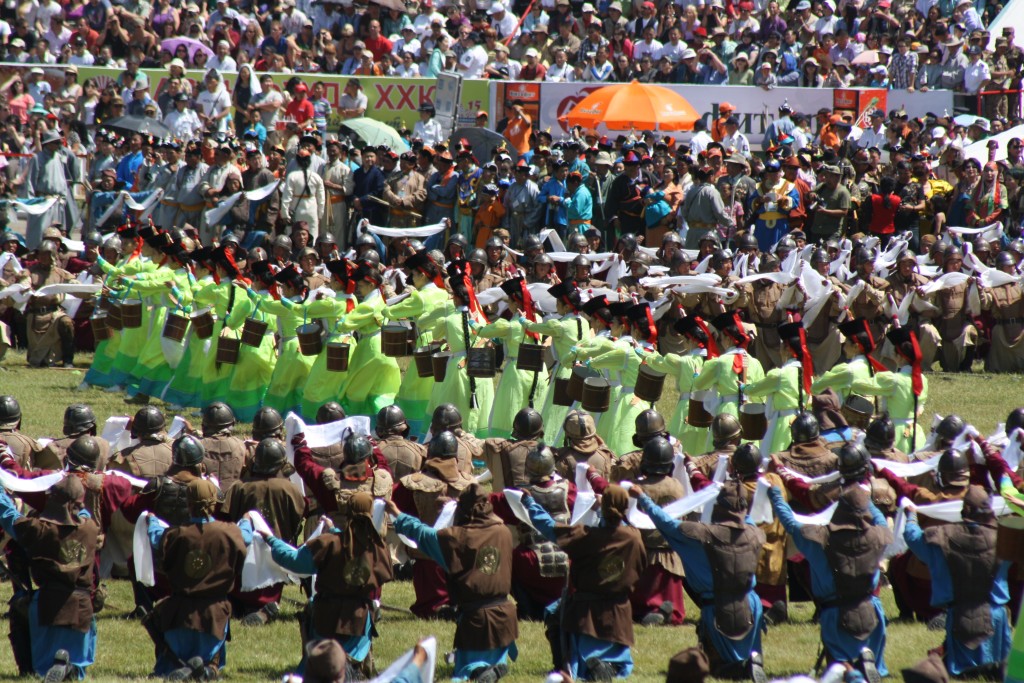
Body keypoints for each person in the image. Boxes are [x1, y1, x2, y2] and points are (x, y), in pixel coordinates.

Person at [630, 480, 768, 680]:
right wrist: (737, 496)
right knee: (746, 656)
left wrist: (643, 498)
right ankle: (751, 663)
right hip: (752, 605)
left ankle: (743, 666)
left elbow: (666, 523)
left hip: (719, 608)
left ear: (718, 507)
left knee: (720, 668)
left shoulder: (701, 535)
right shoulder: (754, 533)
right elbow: (746, 516)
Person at [390, 484, 518, 683]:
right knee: (489, 660)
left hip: (477, 620)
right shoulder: (504, 532)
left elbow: (423, 534)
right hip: (505, 618)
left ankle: (478, 672)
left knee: (466, 670)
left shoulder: (457, 539)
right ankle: (490, 668)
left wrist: (397, 514)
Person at [521, 483, 646, 679]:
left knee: (553, 612)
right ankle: (610, 664)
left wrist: (530, 503)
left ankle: (565, 665)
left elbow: (549, 527)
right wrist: (601, 510)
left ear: (605, 508)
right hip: (619, 609)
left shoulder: (585, 536)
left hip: (585, 611)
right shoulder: (634, 537)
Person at [768, 485, 890, 680]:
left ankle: (851, 665)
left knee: (838, 668)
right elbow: (881, 521)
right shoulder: (879, 536)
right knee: (869, 663)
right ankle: (866, 659)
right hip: (871, 610)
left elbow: (791, 523)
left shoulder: (819, 540)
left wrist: (775, 497)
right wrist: (866, 499)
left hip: (835, 614)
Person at [266, 491, 393, 677]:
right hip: (358, 620)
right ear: (371, 514)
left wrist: (271, 540)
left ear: (347, 513)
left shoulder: (327, 544)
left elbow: (293, 560)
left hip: (325, 617)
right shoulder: (379, 549)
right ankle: (353, 669)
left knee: (315, 669)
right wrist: (334, 531)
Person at [144, 478, 251, 679]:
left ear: (188, 503)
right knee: (210, 662)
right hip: (214, 617)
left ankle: (183, 667)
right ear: (214, 503)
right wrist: (246, 519)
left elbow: (156, 536)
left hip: (178, 616)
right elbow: (246, 535)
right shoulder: (230, 532)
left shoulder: (176, 535)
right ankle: (207, 669)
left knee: (166, 666)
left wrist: (151, 521)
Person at [903, 485, 1012, 678]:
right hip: (997, 615)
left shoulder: (942, 537)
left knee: (965, 674)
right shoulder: (1004, 538)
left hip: (963, 615)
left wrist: (911, 516)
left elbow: (912, 537)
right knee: (1002, 672)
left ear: (964, 510)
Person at [0, 477, 99, 681]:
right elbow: (82, 512)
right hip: (82, 607)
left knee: (42, 667)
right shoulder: (90, 528)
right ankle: (69, 667)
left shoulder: (39, 530)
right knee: (79, 669)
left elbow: (8, 516)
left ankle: (32, 669)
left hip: (47, 605)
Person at [225, 438, 305, 626]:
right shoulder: (291, 489)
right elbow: (299, 517)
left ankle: (242, 608)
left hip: (243, 557)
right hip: (276, 556)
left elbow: (227, 517)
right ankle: (265, 610)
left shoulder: (239, 486)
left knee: (238, 595)